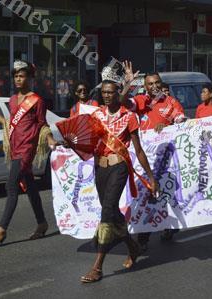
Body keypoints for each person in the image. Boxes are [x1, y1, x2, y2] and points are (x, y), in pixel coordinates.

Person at [80, 79, 159, 283]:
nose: (106, 96)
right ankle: (132, 246)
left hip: (119, 167)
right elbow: (88, 142)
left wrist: (151, 177)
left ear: (118, 94)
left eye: (111, 92)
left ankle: (97, 266)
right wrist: (70, 143)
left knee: (107, 212)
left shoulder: (129, 117)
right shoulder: (96, 115)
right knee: (113, 212)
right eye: (104, 92)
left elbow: (138, 149)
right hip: (100, 168)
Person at [0, 60, 60, 245]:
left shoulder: (37, 100)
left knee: (11, 186)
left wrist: (50, 139)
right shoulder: (12, 99)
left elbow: (42, 124)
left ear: (30, 78)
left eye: (22, 75)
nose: (18, 79)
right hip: (15, 146)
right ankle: (42, 223)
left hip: (27, 148)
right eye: (16, 76)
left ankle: (1, 230)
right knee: (31, 187)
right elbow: (10, 124)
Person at [121, 61, 185, 250]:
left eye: (157, 82)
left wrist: (167, 127)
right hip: (144, 159)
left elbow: (182, 123)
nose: (154, 86)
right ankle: (143, 239)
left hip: (166, 161)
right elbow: (123, 102)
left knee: (164, 196)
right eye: (150, 84)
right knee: (147, 196)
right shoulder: (140, 101)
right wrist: (127, 84)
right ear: (145, 86)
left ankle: (169, 227)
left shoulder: (171, 103)